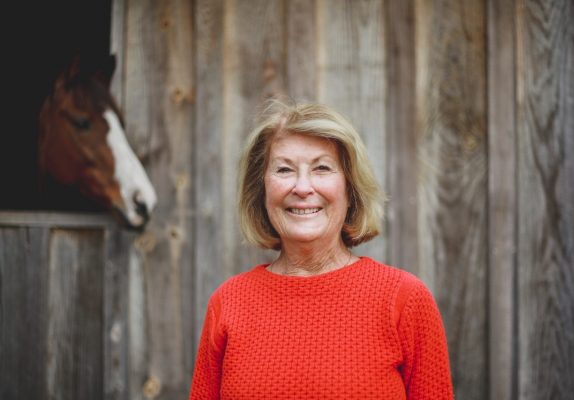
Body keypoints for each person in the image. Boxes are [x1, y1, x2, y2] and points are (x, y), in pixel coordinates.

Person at [189, 99, 453, 399]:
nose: (302, 187)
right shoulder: (229, 303)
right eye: (285, 170)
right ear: (261, 191)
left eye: (322, 168)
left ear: (350, 190)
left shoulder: (404, 300)